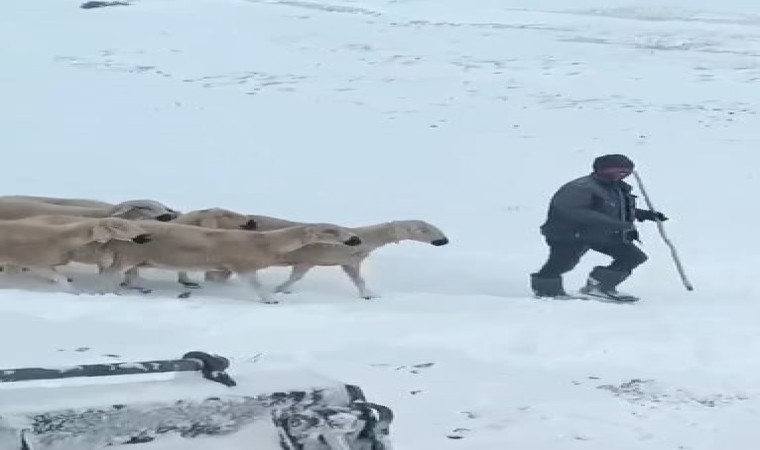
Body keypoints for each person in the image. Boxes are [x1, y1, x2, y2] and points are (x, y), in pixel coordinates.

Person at [530, 154, 667, 302]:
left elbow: (614, 209)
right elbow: (575, 212)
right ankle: (546, 291)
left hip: (599, 233)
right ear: (603, 170)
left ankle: (599, 286)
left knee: (632, 257)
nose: (623, 175)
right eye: (619, 171)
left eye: (626, 172)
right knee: (562, 263)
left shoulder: (616, 188)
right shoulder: (580, 188)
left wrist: (645, 215)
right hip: (569, 233)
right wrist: (615, 223)